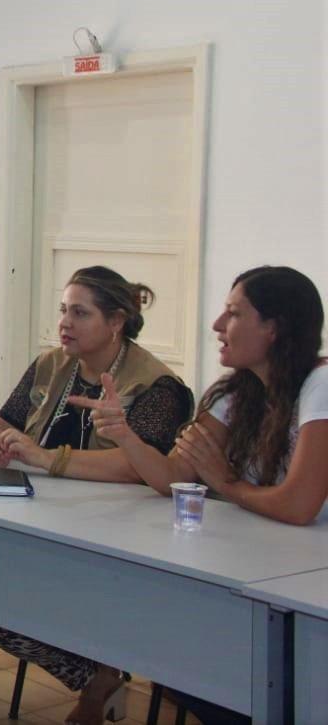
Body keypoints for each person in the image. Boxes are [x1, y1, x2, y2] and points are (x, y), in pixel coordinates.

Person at [69, 265, 328, 724]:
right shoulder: (237, 392)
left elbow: (298, 506)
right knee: (173, 654)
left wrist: (226, 484)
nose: (217, 325)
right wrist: (125, 434)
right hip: (262, 564)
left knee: (224, 671)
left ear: (274, 327)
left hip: (309, 581)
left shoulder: (320, 385)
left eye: (234, 313)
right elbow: (174, 477)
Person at [0, 265, 194, 725]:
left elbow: (138, 468)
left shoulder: (158, 386)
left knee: (11, 612)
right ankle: (99, 678)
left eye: (80, 313)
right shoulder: (51, 364)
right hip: (45, 523)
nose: (64, 323)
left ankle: (97, 682)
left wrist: (45, 458)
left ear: (115, 322)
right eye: (63, 310)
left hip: (119, 539)